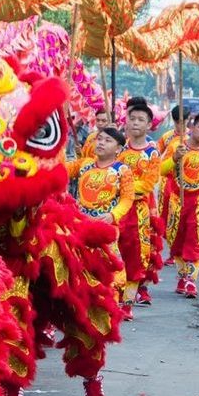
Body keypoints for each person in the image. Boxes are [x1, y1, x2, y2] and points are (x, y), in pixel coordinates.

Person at [66, 126, 134, 318]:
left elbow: (127, 199)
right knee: (79, 264)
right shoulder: (84, 164)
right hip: (80, 225)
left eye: (107, 140)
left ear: (118, 149)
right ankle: (81, 305)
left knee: (109, 263)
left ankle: (112, 303)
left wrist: (113, 215)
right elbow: (62, 169)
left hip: (106, 227)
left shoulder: (122, 171)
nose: (101, 143)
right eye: (100, 139)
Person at [161, 112, 199, 298]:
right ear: (191, 127)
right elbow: (160, 170)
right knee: (175, 238)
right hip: (177, 200)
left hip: (198, 202)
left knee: (195, 239)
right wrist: (175, 158)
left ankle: (191, 280)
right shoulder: (177, 146)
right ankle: (182, 275)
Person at [117, 98, 163, 306]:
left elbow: (148, 183)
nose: (135, 123)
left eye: (140, 119)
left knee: (137, 251)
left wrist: (121, 185)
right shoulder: (118, 148)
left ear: (148, 124)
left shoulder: (152, 153)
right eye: (132, 118)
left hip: (138, 209)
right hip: (115, 209)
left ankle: (131, 297)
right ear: (125, 120)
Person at [159, 105, 191, 266]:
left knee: (187, 220)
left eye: (185, 121)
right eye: (178, 122)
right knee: (171, 218)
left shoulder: (193, 137)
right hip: (169, 182)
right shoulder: (166, 137)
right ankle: (173, 251)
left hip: (189, 184)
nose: (182, 125)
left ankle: (184, 250)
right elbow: (157, 157)